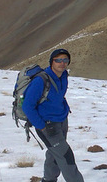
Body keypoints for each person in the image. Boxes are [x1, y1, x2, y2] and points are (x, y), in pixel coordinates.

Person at [22, 48, 85, 182]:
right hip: (47, 125)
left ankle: (48, 179)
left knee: (54, 153)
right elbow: (27, 106)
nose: (62, 63)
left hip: (61, 120)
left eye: (65, 60)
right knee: (66, 156)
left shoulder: (63, 76)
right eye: (58, 60)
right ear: (52, 62)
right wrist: (41, 127)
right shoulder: (41, 80)